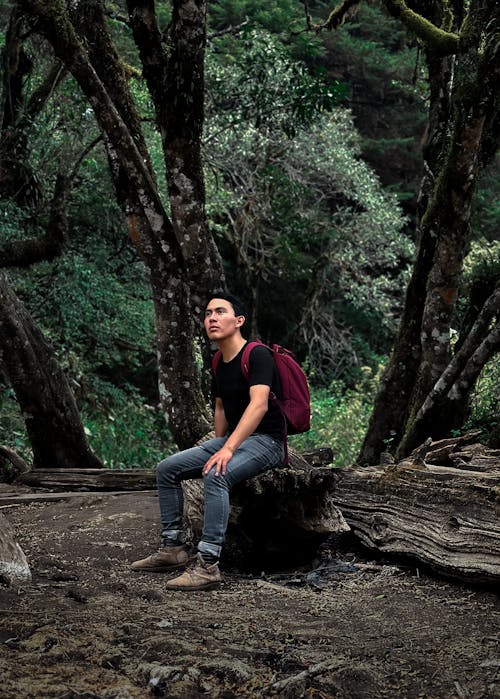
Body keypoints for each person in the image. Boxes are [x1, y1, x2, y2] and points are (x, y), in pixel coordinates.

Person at [131, 293, 285, 591]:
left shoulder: (257, 354)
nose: (211, 318)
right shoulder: (218, 360)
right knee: (167, 469)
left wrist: (226, 450)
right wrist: (217, 445)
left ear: (238, 321)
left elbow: (259, 406)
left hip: (267, 442)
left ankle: (208, 566)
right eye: (207, 313)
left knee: (217, 474)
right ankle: (173, 548)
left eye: (220, 312)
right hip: (234, 440)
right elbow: (220, 406)